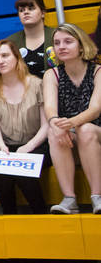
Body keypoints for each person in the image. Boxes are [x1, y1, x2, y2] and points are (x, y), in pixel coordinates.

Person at [0, 40, 48, 214]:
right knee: (0, 173)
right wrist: (2, 146)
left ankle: (41, 215)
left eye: (5, 55)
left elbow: (46, 125)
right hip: (5, 145)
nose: (0, 61)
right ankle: (10, 217)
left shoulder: (37, 84)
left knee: (22, 170)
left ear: (17, 58)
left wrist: (28, 147)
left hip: (37, 144)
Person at [43, 23, 101, 214]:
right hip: (70, 132)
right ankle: (69, 199)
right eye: (57, 43)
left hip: (95, 129)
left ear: (81, 46)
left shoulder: (97, 71)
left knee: (86, 129)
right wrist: (55, 123)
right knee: (54, 132)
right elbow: (50, 108)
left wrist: (70, 123)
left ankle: (97, 197)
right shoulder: (52, 75)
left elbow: (95, 110)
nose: (61, 47)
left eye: (68, 41)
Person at [4, 0, 56, 79]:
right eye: (21, 10)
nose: (26, 12)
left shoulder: (58, 36)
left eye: (31, 9)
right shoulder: (10, 42)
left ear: (43, 13)